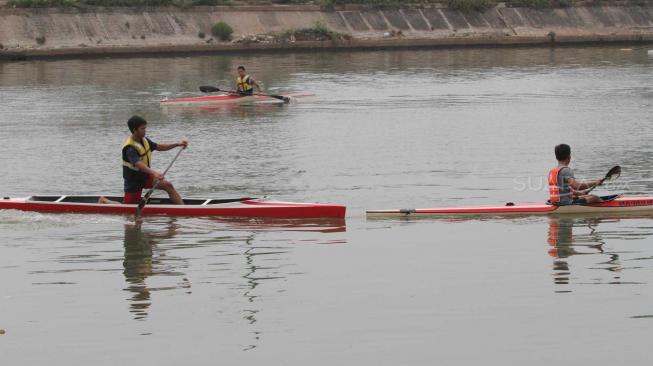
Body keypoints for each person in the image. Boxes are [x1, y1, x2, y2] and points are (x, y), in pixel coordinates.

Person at [100, 116, 188, 205]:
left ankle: (183, 209)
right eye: (142, 128)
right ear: (135, 130)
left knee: (168, 185)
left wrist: (177, 144)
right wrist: (155, 173)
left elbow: (160, 147)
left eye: (145, 128)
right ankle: (104, 201)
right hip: (134, 181)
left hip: (145, 177)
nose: (145, 130)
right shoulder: (130, 147)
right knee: (127, 207)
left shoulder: (144, 140)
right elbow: (138, 164)